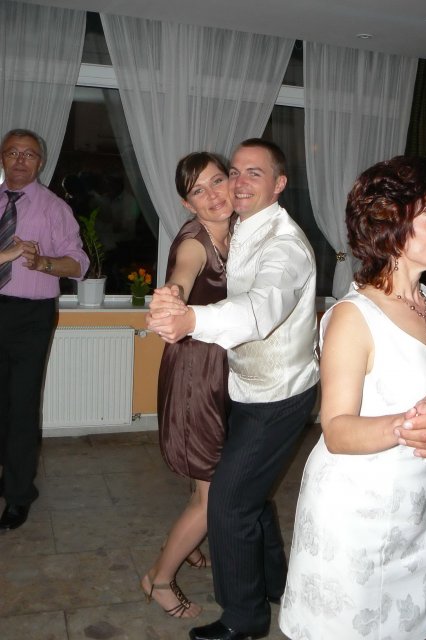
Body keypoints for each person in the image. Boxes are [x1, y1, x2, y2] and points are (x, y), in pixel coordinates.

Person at [279, 155, 426, 639]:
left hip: (412, 506)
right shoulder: (354, 318)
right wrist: (411, 422)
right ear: (395, 231)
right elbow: (337, 430)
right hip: (354, 514)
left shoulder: (423, 300)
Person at [147, 139, 319, 640]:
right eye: (235, 172)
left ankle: (243, 620)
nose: (237, 185)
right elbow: (186, 266)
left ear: (279, 184)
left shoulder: (284, 246)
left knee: (226, 503)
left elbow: (260, 309)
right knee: (247, 493)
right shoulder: (241, 226)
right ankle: (275, 583)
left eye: (252, 174)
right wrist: (173, 294)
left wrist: (189, 318)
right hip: (239, 384)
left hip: (278, 393)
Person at [140, 152, 232, 618]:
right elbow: (182, 275)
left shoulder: (238, 231)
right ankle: (158, 579)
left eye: (217, 181)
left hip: (219, 368)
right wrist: (171, 296)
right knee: (213, 494)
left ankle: (186, 543)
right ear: (186, 203)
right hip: (197, 373)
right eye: (199, 190)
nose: (213, 195)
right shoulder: (196, 241)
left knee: (207, 477)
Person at [0, 128, 89, 531]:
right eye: (13, 152)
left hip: (30, 316)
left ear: (40, 162)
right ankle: (6, 476)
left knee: (21, 405)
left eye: (29, 154)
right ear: (2, 158)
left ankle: (19, 495)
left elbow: (79, 263)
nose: (20, 160)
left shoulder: (54, 208)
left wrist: (43, 264)